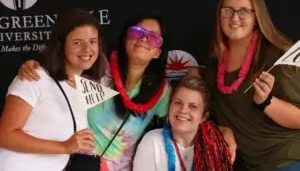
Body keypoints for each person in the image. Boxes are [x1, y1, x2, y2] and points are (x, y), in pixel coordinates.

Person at [16, 11, 237, 171]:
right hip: (79, 163)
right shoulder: (95, 67)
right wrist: (33, 65)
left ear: (158, 52)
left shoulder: (161, 93)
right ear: (125, 39)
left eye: (152, 37)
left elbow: (187, 116)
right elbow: (59, 68)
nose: (143, 39)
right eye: (137, 32)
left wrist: (224, 131)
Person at [192, 0, 300, 171]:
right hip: (252, 165)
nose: (234, 18)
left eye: (244, 11)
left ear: (256, 17)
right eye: (228, 10)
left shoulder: (277, 58)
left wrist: (267, 102)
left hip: (288, 158)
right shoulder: (214, 63)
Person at [0, 8, 107, 171]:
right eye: (77, 42)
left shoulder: (80, 88)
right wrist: (64, 147)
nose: (87, 49)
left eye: (92, 41)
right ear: (61, 44)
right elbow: (5, 135)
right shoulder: (34, 77)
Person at [132, 76, 234, 171]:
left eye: (193, 106)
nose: (183, 110)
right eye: (178, 103)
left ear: (203, 117)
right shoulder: (152, 141)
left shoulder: (215, 147)